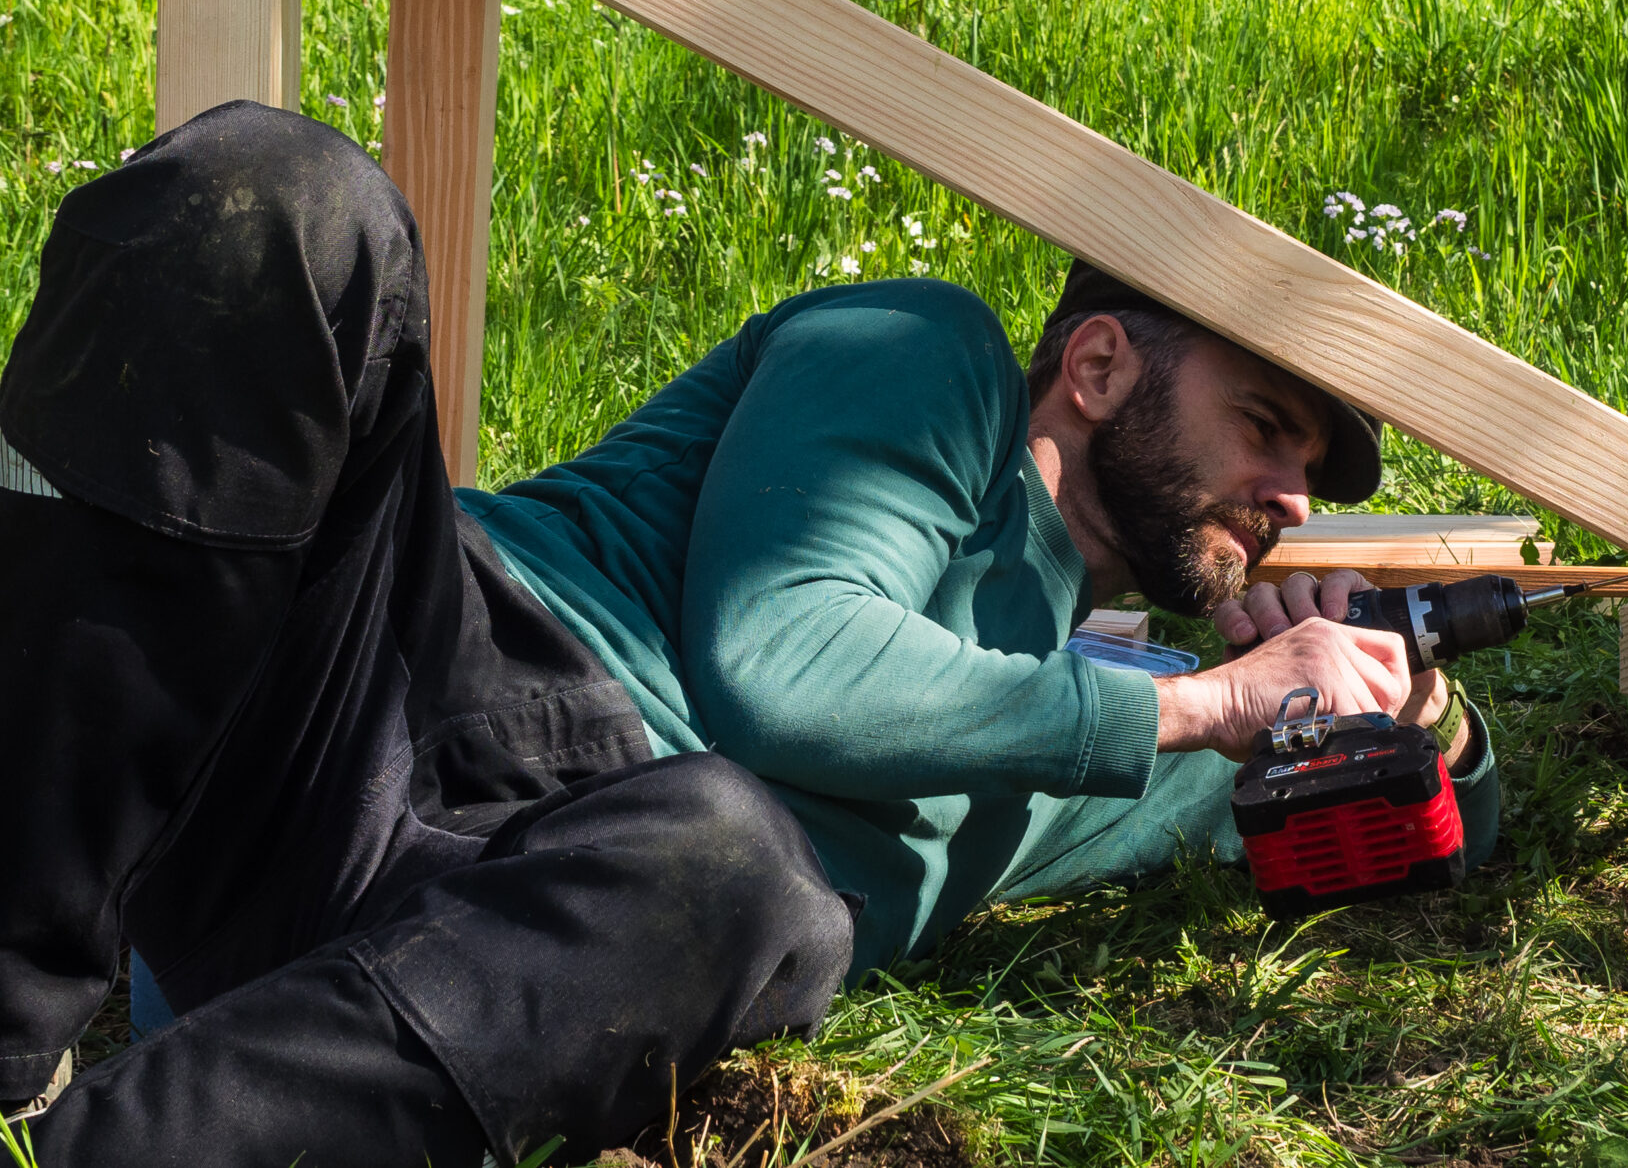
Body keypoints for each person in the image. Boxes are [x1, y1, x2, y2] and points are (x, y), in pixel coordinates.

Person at [0, 101, 1497, 1164]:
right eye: (1266, 425)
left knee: (743, 875)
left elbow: (1404, 828)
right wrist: (1197, 707)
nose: (1293, 494)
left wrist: (1408, 703)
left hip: (488, 941)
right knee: (279, 198)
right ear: (1099, 364)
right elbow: (785, 665)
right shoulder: (932, 359)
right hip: (408, 689)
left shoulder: (1107, 711)